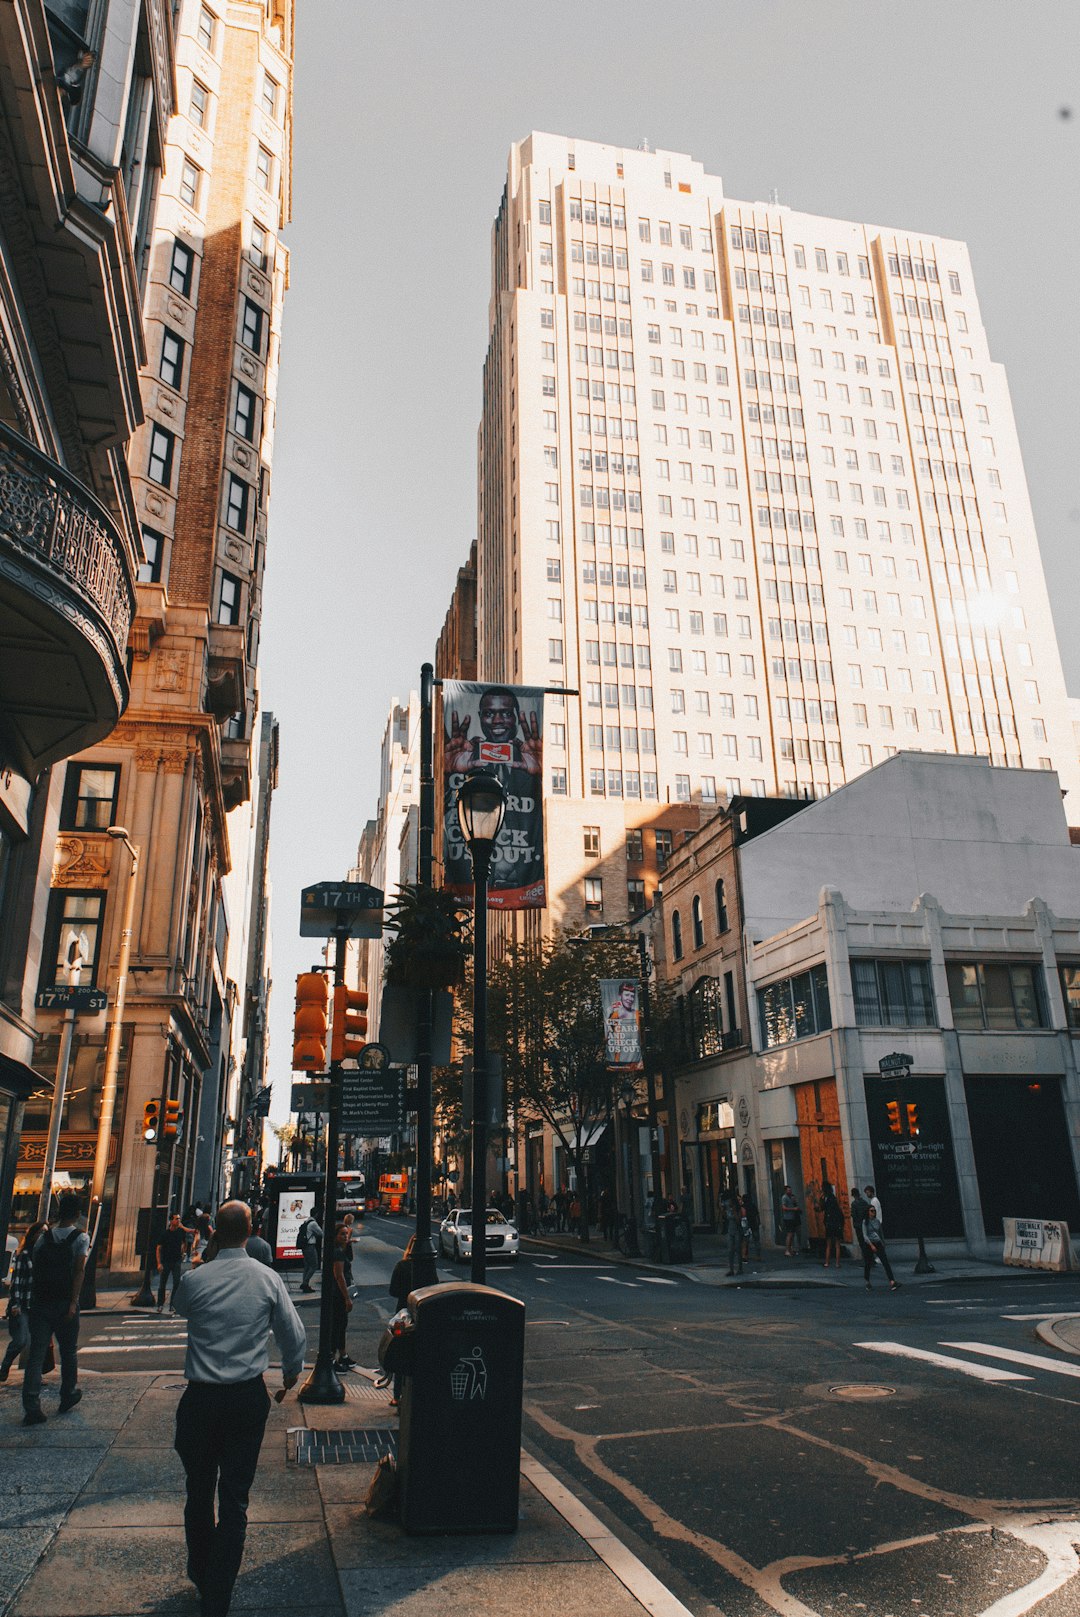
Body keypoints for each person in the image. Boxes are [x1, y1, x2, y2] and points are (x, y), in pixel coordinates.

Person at [172, 1202, 305, 1617]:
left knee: (198, 1488)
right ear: (250, 1232)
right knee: (235, 1499)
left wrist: (207, 1259)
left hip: (201, 1398)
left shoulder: (195, 1280)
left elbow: (180, 1307)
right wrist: (290, 1375)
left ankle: (201, 1569)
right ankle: (218, 1593)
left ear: (215, 1234)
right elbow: (294, 1336)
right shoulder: (266, 1278)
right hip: (247, 1398)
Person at [22, 1191, 88, 1425]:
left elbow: (36, 1267)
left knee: (36, 1356)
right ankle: (67, 1394)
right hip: (63, 1302)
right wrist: (73, 1301)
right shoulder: (80, 1238)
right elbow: (79, 1271)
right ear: (78, 1214)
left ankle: (31, 1405)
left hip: (41, 1301)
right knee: (68, 1351)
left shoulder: (44, 1238)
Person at [1, 1220, 47, 1382]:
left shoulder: (43, 1256)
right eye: (41, 1232)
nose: (43, 1235)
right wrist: (15, 1304)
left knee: (37, 1344)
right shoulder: (24, 1256)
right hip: (23, 1305)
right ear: (33, 1235)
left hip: (38, 1306)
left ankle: (34, 1377)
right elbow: (17, 1282)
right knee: (21, 1340)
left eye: (45, 1232)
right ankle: (5, 1365)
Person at [387, 1235, 415, 1407]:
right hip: (422, 1315)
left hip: (403, 1312)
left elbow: (393, 1290)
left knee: (401, 1354)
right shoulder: (427, 1266)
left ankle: (397, 1395)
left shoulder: (402, 1265)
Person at [329, 1224, 354, 1372]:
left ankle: (342, 1355)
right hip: (338, 1294)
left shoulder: (340, 1251)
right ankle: (332, 1358)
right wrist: (347, 1298)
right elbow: (339, 1276)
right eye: (342, 1234)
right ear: (335, 1236)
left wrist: (348, 1244)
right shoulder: (337, 1253)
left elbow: (350, 1258)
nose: (345, 1237)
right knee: (337, 1325)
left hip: (337, 1293)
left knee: (340, 1325)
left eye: (346, 1234)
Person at [862, 1203, 900, 1292]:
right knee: (868, 1263)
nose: (873, 1212)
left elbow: (880, 1232)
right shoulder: (865, 1222)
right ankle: (867, 1281)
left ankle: (892, 1281)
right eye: (871, 1211)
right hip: (869, 1244)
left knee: (885, 1262)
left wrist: (883, 1242)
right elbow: (865, 1235)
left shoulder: (877, 1221)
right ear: (868, 1212)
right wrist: (871, 1245)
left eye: (874, 1211)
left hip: (878, 1242)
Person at [158, 1214, 191, 1310]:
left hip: (176, 1261)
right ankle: (160, 1304)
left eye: (179, 1219)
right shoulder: (165, 1234)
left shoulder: (181, 1232)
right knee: (162, 1283)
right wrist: (159, 1263)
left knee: (176, 1282)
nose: (178, 1221)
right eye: (176, 1219)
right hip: (166, 1261)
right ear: (171, 1221)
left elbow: (184, 1242)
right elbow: (159, 1248)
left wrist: (183, 1252)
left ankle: (172, 1304)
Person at [820, 1183, 845, 1270]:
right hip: (837, 1223)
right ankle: (837, 1263)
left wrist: (821, 1199)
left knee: (829, 1244)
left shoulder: (826, 1199)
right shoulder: (833, 1198)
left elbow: (822, 1208)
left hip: (829, 1222)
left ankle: (827, 1262)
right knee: (837, 1244)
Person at [721, 1187, 743, 1276]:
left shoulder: (737, 1208)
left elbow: (738, 1220)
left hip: (737, 1230)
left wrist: (733, 1210)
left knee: (738, 1249)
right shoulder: (727, 1208)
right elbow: (725, 1217)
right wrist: (723, 1210)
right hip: (730, 1229)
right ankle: (731, 1269)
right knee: (730, 1250)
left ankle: (740, 1268)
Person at [298, 1213, 322, 1292]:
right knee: (314, 1265)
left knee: (307, 1266)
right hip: (310, 1246)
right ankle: (305, 1283)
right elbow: (321, 1233)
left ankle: (305, 1284)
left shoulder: (307, 1221)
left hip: (304, 1246)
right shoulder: (313, 1223)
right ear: (316, 1215)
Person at [850, 1187, 871, 1271]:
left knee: (862, 1242)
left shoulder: (854, 1204)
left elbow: (853, 1215)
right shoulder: (865, 1202)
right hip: (865, 1224)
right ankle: (870, 1259)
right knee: (867, 1242)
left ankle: (865, 1260)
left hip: (858, 1225)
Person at [741, 1189, 762, 1263]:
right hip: (754, 1224)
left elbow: (743, 1215)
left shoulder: (743, 1206)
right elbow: (757, 1214)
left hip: (747, 1225)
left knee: (745, 1241)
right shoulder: (753, 1205)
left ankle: (744, 1256)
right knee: (756, 1240)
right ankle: (758, 1256)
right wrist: (758, 1222)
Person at [780, 1185, 801, 1257]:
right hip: (788, 1218)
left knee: (792, 1234)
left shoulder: (792, 1197)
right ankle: (787, 1250)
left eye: (790, 1190)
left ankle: (790, 1249)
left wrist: (795, 1202)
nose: (790, 1191)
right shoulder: (784, 1197)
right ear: (785, 1191)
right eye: (788, 1190)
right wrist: (793, 1209)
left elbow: (795, 1204)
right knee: (789, 1234)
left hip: (793, 1217)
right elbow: (784, 1208)